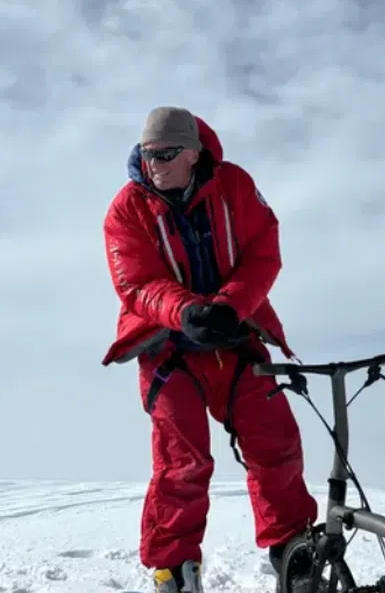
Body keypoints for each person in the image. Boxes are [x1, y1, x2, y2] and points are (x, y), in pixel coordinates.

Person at [101, 106, 319, 593]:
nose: (151, 162)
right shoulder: (126, 208)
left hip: (234, 340)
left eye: (164, 154)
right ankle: (172, 569)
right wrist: (186, 313)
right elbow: (134, 283)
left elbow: (265, 248)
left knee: (275, 441)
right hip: (168, 349)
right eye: (146, 153)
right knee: (183, 461)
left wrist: (230, 306)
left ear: (193, 153)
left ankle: (293, 551)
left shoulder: (235, 185)